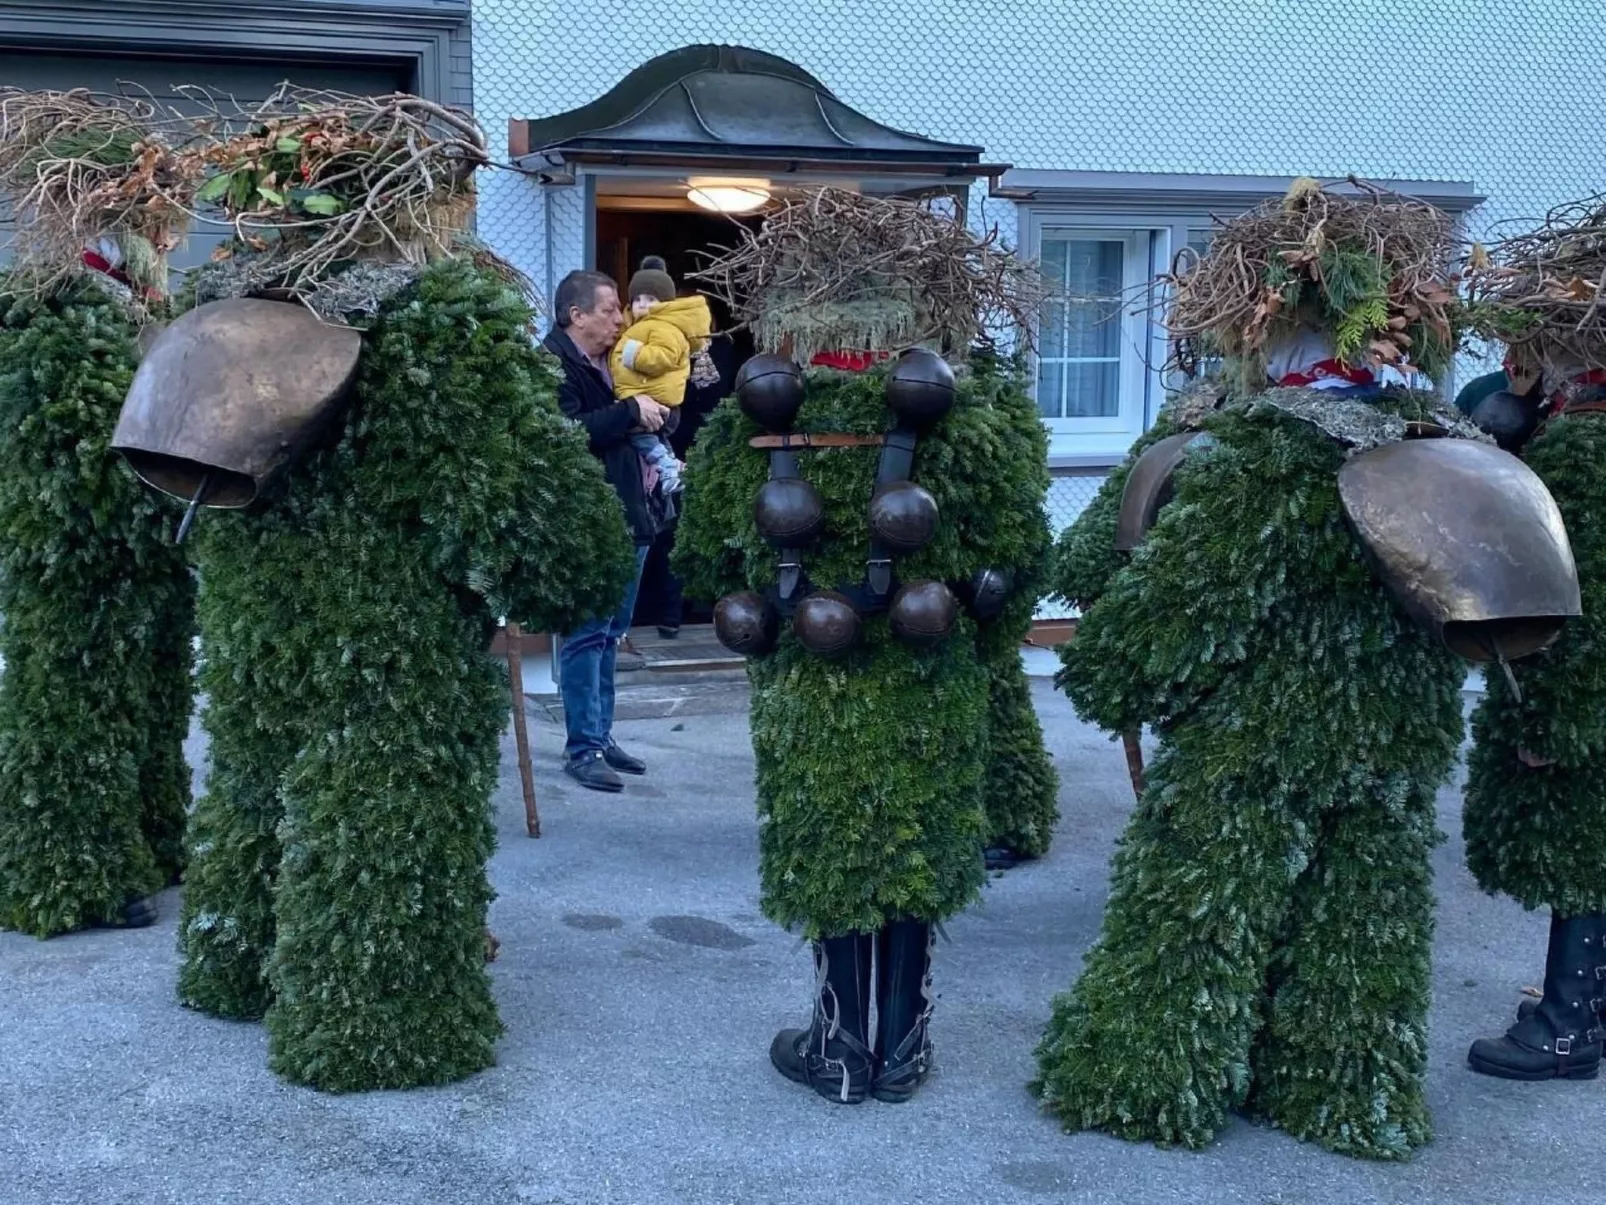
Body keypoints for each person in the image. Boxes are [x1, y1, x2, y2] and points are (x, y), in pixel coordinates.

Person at [542, 269, 672, 792]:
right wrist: (629, 411)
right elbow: (563, 434)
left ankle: (600, 735)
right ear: (577, 316)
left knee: (612, 634)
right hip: (590, 523)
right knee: (587, 633)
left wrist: (656, 413)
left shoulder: (616, 361)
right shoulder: (552, 364)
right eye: (609, 309)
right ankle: (583, 748)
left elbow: (638, 415)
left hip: (632, 515)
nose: (621, 318)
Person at [609, 256, 714, 496]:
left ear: (665, 303)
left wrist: (634, 355)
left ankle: (667, 470)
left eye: (650, 299)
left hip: (656, 402)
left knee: (640, 438)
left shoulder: (663, 326)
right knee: (655, 441)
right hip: (652, 397)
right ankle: (673, 466)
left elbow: (664, 356)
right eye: (637, 299)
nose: (642, 305)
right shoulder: (642, 325)